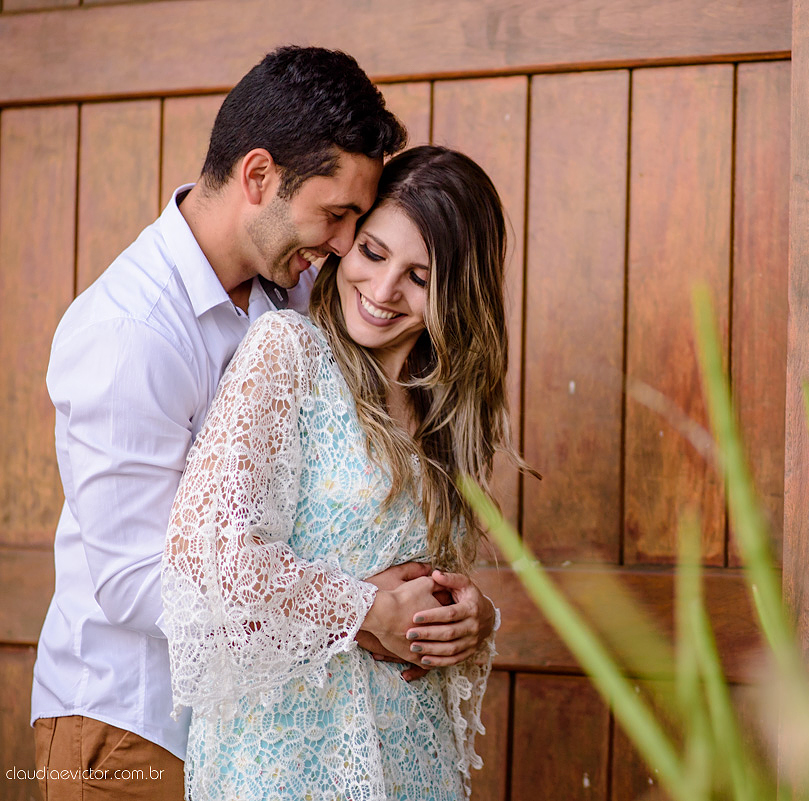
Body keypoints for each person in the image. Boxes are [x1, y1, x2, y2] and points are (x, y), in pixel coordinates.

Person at [31, 47, 494, 801]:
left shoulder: (295, 289)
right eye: (337, 215)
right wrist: (364, 611)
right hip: (131, 724)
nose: (344, 244)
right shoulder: (128, 333)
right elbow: (135, 581)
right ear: (258, 178)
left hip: (267, 733)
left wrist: (440, 609)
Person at [161, 145, 514, 800]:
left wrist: (474, 618)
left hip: (413, 763)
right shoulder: (289, 352)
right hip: (287, 763)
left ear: (456, 294)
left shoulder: (445, 411)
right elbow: (213, 562)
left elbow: (422, 578)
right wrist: (366, 609)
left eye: (419, 276)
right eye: (373, 253)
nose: (382, 290)